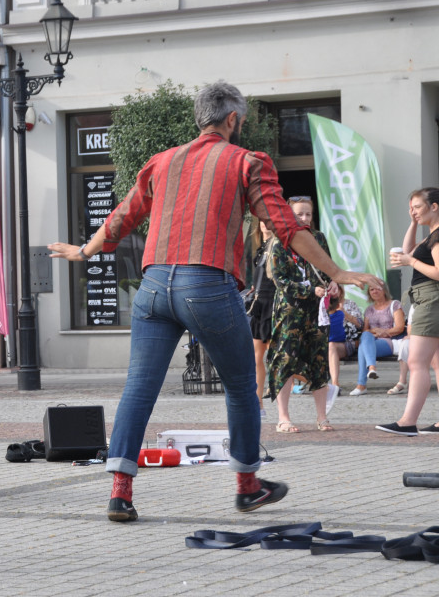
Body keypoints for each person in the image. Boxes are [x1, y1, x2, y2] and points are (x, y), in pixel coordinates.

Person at [48, 80, 380, 523]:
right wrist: (336, 272)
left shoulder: (163, 161)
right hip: (206, 284)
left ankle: (120, 492)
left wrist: (84, 251)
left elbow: (123, 214)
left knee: (139, 389)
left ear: (198, 119)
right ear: (232, 120)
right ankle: (247, 486)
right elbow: (287, 227)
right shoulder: (246, 161)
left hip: (153, 287)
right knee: (242, 385)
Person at [266, 196, 341, 432]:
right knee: (285, 360)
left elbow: (329, 268)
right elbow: (281, 281)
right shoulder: (280, 241)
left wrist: (333, 284)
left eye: (308, 214)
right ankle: (283, 418)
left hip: (316, 311)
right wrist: (309, 289)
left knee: (319, 361)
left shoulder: (318, 238)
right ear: (290, 215)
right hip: (289, 312)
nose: (305, 218)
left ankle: (322, 417)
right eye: (300, 214)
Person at [378, 188, 439, 435]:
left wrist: (411, 262)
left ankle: (407, 421)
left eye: (417, 207)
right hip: (429, 299)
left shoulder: (437, 237)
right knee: (435, 362)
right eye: (411, 208)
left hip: (430, 299)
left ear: (434, 206)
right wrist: (413, 223)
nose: (413, 211)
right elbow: (407, 250)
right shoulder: (431, 236)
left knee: (416, 361)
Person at [350, 283, 404, 395]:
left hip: (390, 341)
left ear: (384, 290)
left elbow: (400, 327)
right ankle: (372, 368)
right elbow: (365, 331)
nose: (374, 291)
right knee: (365, 337)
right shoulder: (369, 309)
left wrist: (384, 332)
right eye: (371, 289)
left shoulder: (394, 304)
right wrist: (374, 331)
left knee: (362, 348)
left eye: (377, 288)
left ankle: (361, 385)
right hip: (372, 341)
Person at [246, 219, 276, 417]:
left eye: (270, 221)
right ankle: (258, 405)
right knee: (257, 358)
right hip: (259, 303)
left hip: (274, 303)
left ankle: (318, 382)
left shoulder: (278, 246)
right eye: (263, 221)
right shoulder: (260, 248)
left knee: (279, 358)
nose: (266, 224)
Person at [326, 285, 363, 390]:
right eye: (330, 290)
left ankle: (335, 383)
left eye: (335, 289)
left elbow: (359, 324)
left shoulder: (350, 304)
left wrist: (344, 312)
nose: (333, 292)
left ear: (340, 290)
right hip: (327, 341)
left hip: (348, 342)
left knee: (331, 346)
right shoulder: (324, 305)